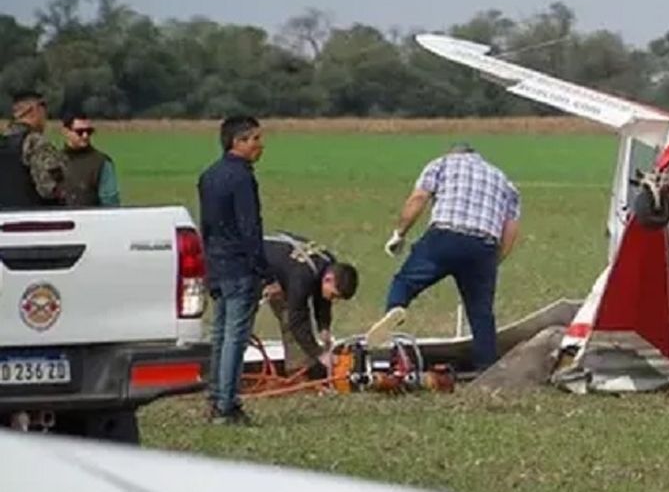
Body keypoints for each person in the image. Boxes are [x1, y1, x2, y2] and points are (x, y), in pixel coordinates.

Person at [370, 143, 522, 370]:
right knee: (481, 313)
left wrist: (399, 234)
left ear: (453, 153)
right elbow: (510, 231)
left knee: (404, 282)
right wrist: (492, 262)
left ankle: (396, 316)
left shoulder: (441, 164)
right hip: (483, 247)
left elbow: (418, 199)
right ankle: (486, 368)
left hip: (445, 237)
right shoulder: (505, 182)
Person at [196, 115, 270, 426]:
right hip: (239, 266)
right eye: (254, 139)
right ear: (236, 142)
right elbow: (249, 227)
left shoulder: (208, 175)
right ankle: (227, 405)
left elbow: (207, 226)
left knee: (220, 334)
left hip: (216, 263)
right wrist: (263, 270)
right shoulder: (242, 178)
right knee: (235, 339)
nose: (260, 145)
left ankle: (215, 398)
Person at [262, 231, 359, 378]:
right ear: (329, 279)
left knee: (293, 315)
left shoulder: (328, 263)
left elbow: (322, 297)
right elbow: (297, 321)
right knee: (289, 317)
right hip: (246, 263)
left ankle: (300, 367)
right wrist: (319, 354)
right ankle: (298, 372)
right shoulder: (302, 277)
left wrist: (324, 327)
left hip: (277, 261)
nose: (334, 300)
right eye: (334, 295)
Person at [1, 89, 68, 209]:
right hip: (33, 218)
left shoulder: (3, 142)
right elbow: (48, 189)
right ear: (35, 110)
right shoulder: (35, 142)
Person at [59, 114, 121, 206]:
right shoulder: (53, 159)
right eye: (79, 132)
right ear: (66, 131)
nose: (85, 136)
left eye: (89, 131)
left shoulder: (102, 162)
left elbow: (110, 202)